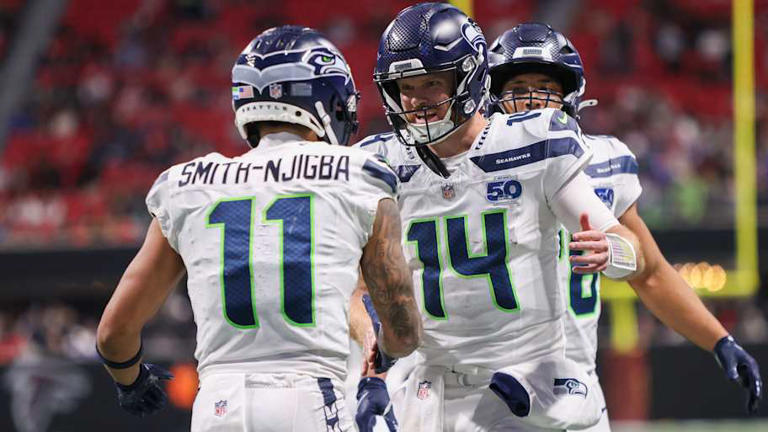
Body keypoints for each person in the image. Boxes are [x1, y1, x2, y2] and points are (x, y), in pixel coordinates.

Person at [95, 25, 422, 431]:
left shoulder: (187, 186)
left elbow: (113, 332)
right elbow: (403, 329)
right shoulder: (357, 176)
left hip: (217, 405)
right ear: (327, 102)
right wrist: (382, 357)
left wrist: (132, 381)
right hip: (308, 396)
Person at [352, 3, 646, 431]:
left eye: (432, 83)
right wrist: (374, 351)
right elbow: (359, 288)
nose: (416, 101)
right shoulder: (380, 162)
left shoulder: (534, 142)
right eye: (405, 86)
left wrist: (612, 250)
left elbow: (632, 250)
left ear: (468, 76)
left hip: (525, 384)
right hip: (427, 389)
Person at [486, 22, 762, 427]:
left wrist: (719, 338)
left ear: (569, 96)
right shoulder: (468, 169)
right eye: (518, 88)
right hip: (486, 387)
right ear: (492, 99)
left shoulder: (604, 162)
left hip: (575, 390)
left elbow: (649, 271)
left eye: (544, 86)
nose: (531, 99)